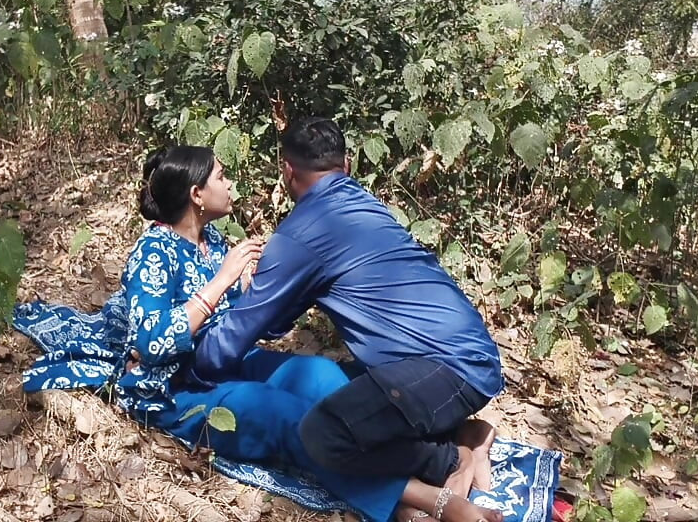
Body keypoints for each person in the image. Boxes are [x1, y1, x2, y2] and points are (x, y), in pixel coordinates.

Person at [79, 145, 501, 522]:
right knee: (283, 416)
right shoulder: (154, 250)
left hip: (224, 361)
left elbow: (242, 316)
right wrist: (221, 283)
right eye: (221, 177)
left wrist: (250, 284)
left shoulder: (215, 240)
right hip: (176, 384)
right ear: (196, 195)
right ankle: (428, 497)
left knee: (324, 379)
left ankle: (448, 449)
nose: (230, 185)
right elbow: (151, 344)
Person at [190, 118, 506, 520]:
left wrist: (190, 359)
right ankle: (463, 432)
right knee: (338, 385)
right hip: (471, 356)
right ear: (349, 164)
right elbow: (276, 320)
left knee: (322, 433)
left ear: (287, 170)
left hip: (445, 370)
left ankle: (446, 458)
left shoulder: (299, 235)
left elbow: (238, 336)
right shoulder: (364, 205)